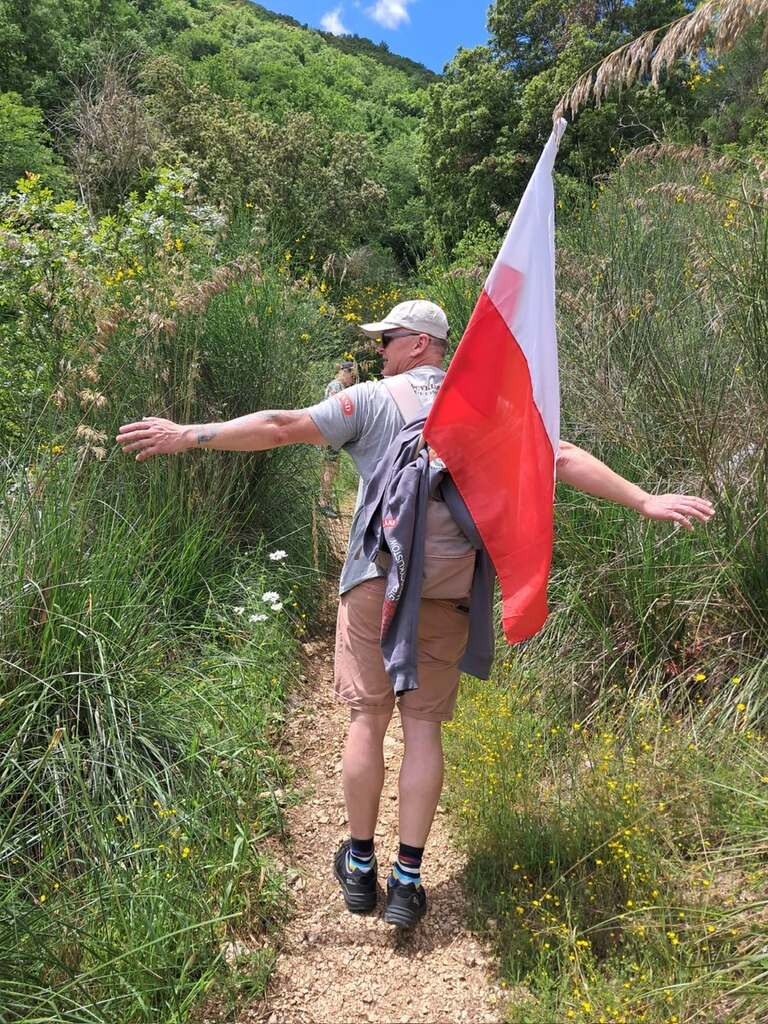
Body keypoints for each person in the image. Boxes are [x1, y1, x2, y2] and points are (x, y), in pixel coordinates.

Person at [116, 298, 715, 929]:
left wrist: (190, 436)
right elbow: (557, 457)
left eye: (389, 338)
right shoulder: (483, 406)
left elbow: (280, 425)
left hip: (377, 582)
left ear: (421, 343)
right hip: (447, 590)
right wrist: (643, 499)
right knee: (423, 727)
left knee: (367, 718)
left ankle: (360, 865)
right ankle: (407, 879)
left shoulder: (372, 401)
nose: (381, 350)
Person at [319, 360, 357, 518]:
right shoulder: (336, 386)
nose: (352, 380)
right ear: (345, 372)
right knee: (330, 468)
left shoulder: (338, 386)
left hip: (332, 434)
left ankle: (324, 498)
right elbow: (335, 411)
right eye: (352, 377)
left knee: (332, 468)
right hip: (331, 434)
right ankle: (324, 503)